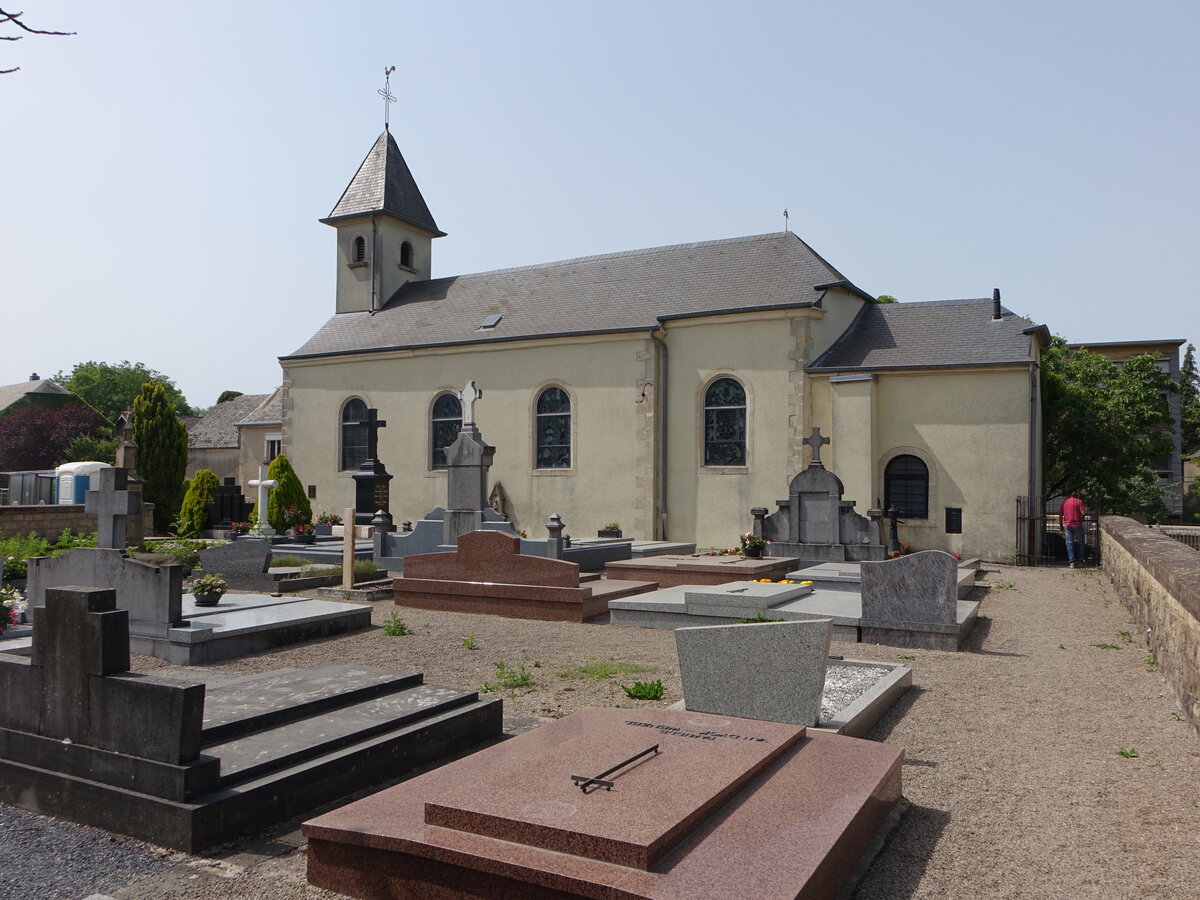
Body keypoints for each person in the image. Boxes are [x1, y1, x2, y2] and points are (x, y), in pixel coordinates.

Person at [1061, 490, 1086, 569]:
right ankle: (1082, 560)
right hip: (1077, 524)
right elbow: (1083, 513)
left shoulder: (1064, 503)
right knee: (1081, 542)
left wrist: (1061, 525)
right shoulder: (1079, 502)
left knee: (1069, 544)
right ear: (1077, 496)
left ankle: (1072, 562)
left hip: (1067, 524)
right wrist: (1082, 517)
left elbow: (1060, 515)